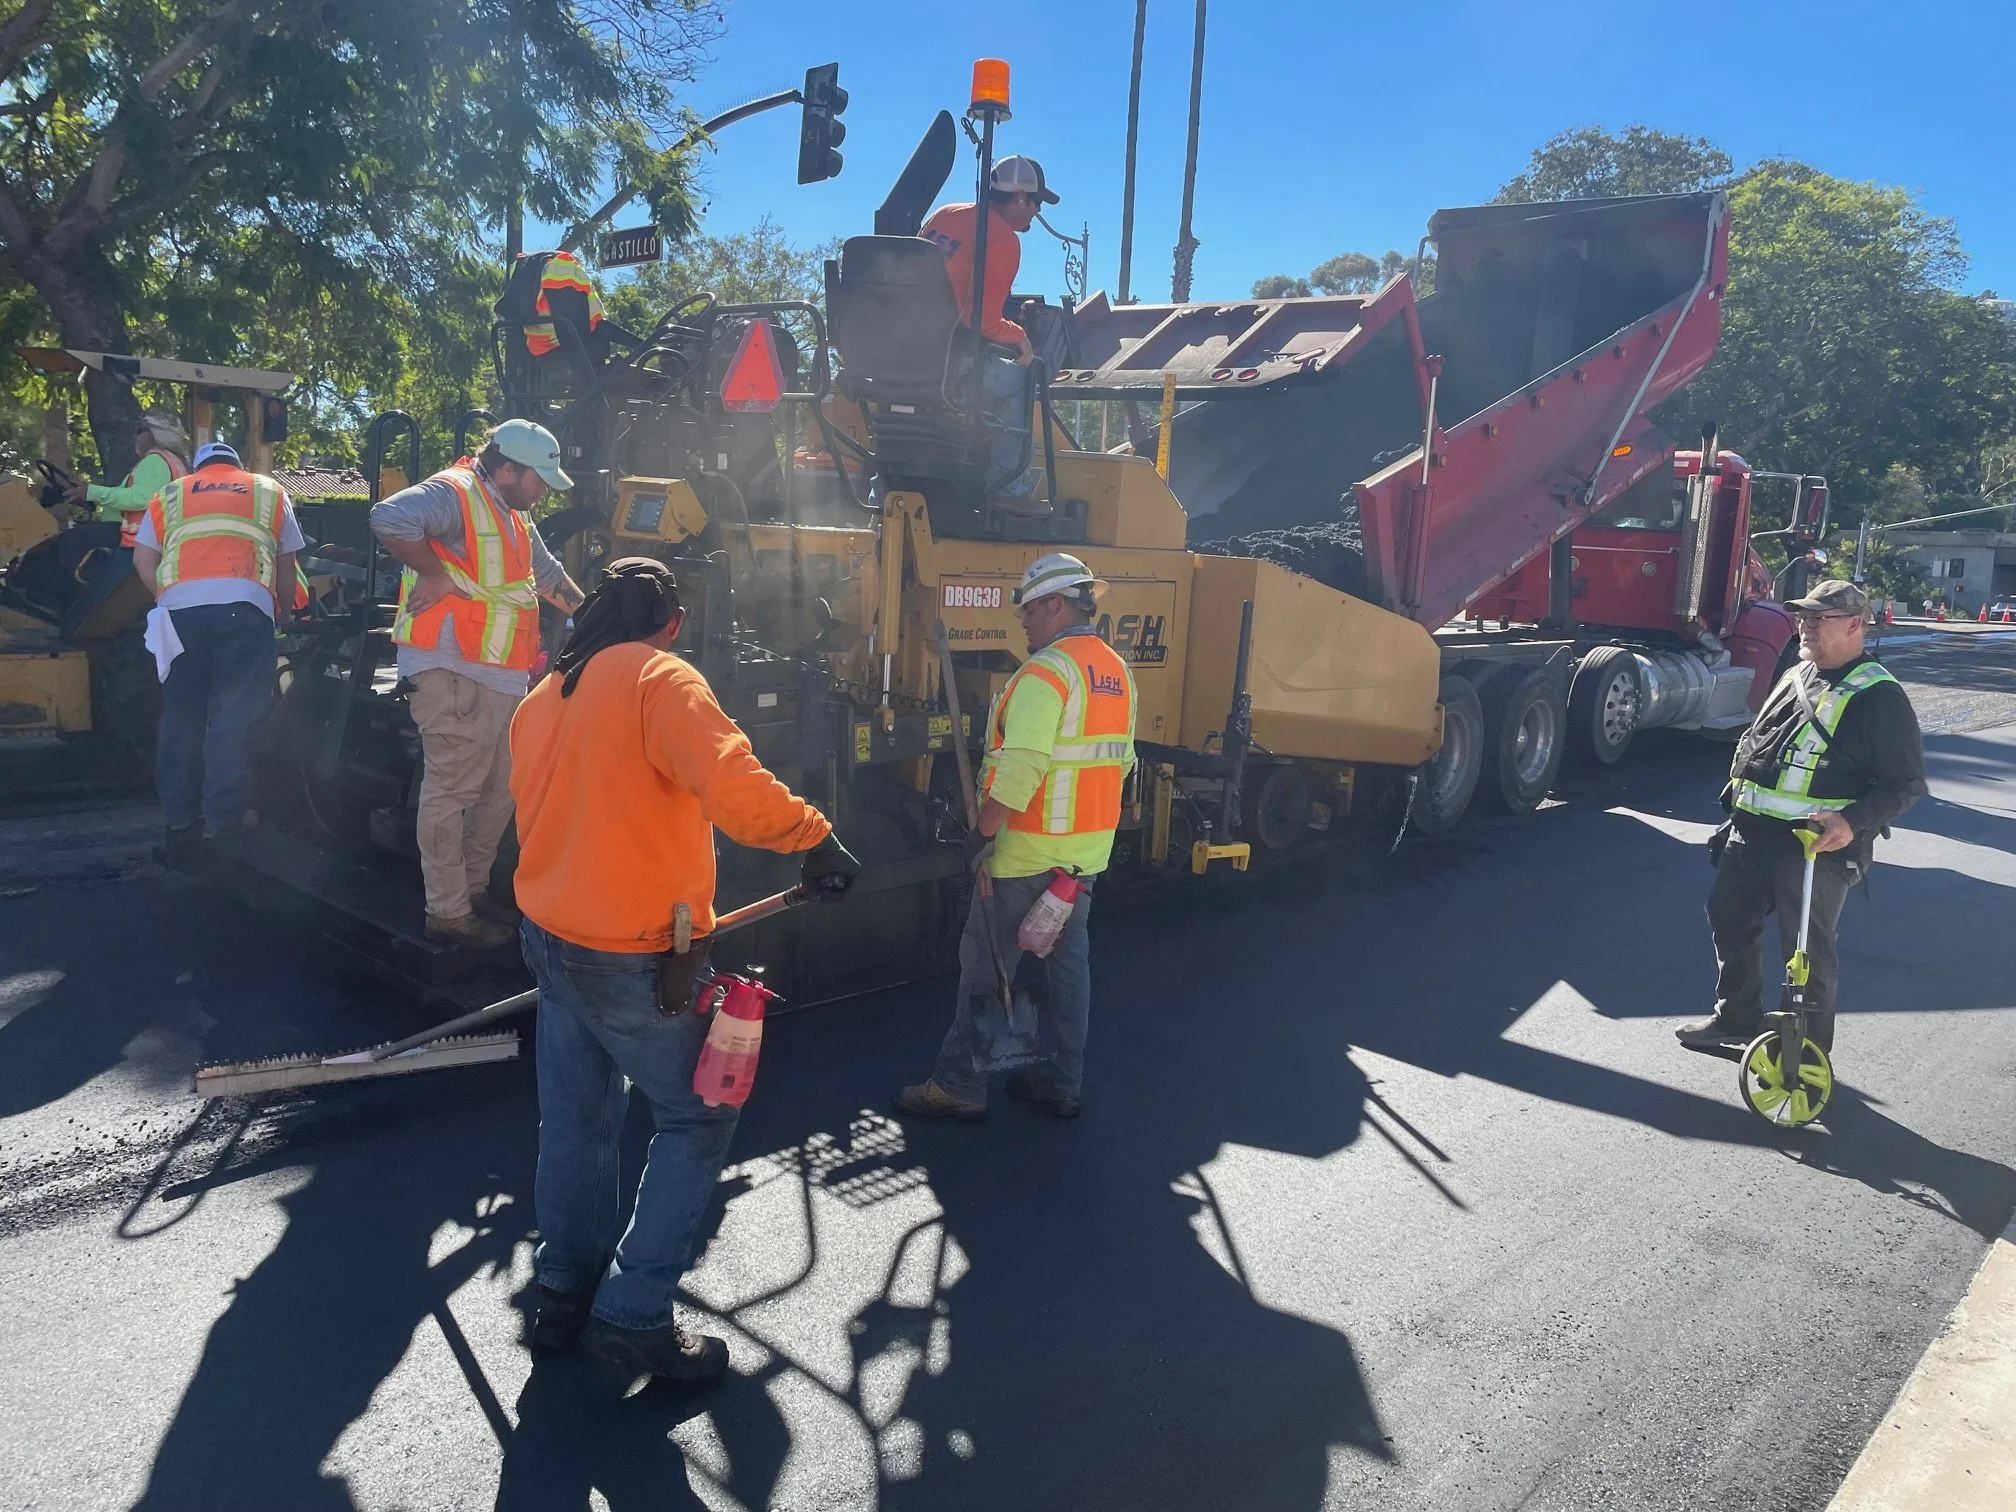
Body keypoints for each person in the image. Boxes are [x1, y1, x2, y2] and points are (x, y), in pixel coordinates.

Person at [508, 557, 860, 1383]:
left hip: (552, 936)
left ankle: (564, 1290)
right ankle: (632, 1315)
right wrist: (815, 839)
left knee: (579, 1121)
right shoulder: (660, 679)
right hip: (630, 956)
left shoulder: (541, 698)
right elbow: (731, 784)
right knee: (697, 1117)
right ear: (669, 622)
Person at [896, 553, 1136, 1121]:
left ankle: (958, 1085)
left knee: (985, 969)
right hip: (1082, 860)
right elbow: (1121, 764)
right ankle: (1062, 1081)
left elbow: (1023, 768)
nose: (1022, 623)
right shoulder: (1114, 673)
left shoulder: (1046, 674)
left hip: (1025, 855)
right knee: (1067, 968)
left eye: (1028, 611)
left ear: (1056, 605)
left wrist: (980, 833)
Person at [1679, 581, 1926, 1056]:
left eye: (1819, 619)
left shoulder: (1879, 696)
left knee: (1807, 953)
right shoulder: (1797, 674)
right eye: (1803, 618)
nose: (1806, 627)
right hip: (1750, 834)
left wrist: (1851, 823)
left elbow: (1904, 783)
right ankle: (1736, 1019)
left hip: (1814, 847)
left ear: (1855, 625)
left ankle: (1805, 1055)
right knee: (1729, 922)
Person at [370, 419, 585, 948]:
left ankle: (472, 890)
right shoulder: (455, 492)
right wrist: (433, 573)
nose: (543, 491)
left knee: (500, 790)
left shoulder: (510, 513)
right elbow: (388, 515)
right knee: (451, 793)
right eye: (539, 480)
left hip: (498, 676)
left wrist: (602, 619)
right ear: (506, 468)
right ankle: (448, 916)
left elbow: (550, 576)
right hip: (453, 672)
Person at [130, 441, 302, 870]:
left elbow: (142, 558)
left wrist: (165, 596)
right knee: (231, 717)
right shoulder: (268, 491)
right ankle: (222, 821)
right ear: (235, 466)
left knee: (181, 716)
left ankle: (178, 821)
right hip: (245, 610)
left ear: (199, 467)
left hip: (179, 617)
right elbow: (286, 564)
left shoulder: (170, 495)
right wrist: (279, 612)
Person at [921, 155, 1059, 498]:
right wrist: (1020, 337)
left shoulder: (945, 215)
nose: (1036, 212)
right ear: (1020, 198)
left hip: (906, 358)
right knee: (1023, 378)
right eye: (1036, 202)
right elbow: (977, 319)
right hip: (951, 366)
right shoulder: (1003, 239)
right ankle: (1007, 486)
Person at [65, 410, 190, 545]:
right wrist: (90, 498)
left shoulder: (155, 459)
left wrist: (92, 492)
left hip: (138, 543)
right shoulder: (173, 460)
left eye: (139, 431)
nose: (134, 437)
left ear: (153, 434)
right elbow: (129, 498)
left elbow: (140, 498)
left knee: (68, 541)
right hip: (151, 539)